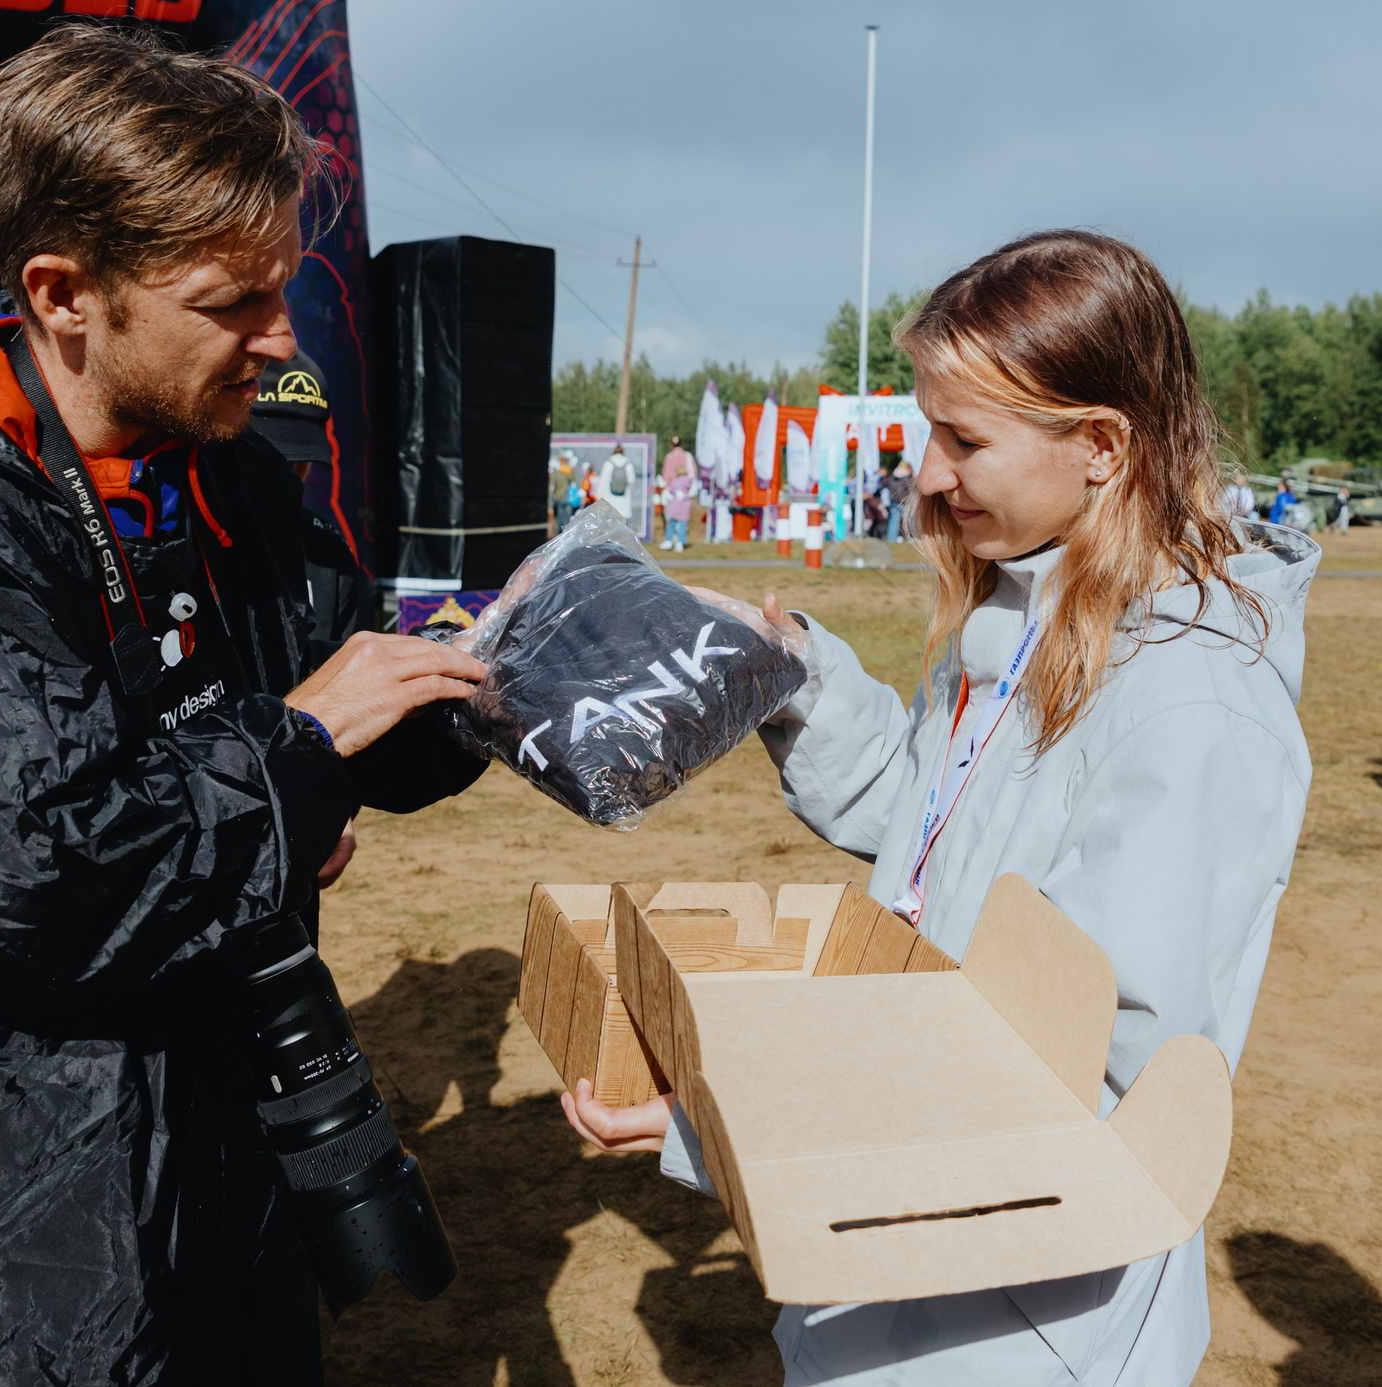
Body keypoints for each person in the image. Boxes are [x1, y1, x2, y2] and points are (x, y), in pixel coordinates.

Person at [0, 25, 491, 1383]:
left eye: (283, 288)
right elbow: (34, 883)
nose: (281, 341)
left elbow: (340, 688)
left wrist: (517, 676)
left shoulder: (222, 471)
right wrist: (288, 762)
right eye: (233, 299)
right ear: (64, 292)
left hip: (216, 1187)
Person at [559, 229, 1314, 1384]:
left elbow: (1088, 1071)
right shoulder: (1021, 626)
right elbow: (923, 829)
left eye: (965, 440)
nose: (925, 475)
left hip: (1016, 1312)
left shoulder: (1190, 708)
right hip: (903, 1251)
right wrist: (785, 669)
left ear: (1102, 446)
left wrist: (726, 1130)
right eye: (929, 433)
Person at [248, 349, 372, 661]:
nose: (287, 474)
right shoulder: (191, 541)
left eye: (300, 458)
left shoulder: (328, 550)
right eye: (271, 456)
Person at [660, 433, 697, 551]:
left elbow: (665, 476)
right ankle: (680, 541)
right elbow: (693, 474)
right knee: (682, 520)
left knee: (671, 519)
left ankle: (670, 540)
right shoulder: (687, 456)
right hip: (684, 495)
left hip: (672, 493)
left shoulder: (669, 457)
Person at [602, 441, 635, 533]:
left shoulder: (608, 463)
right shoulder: (628, 463)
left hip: (610, 496)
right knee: (623, 520)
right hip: (624, 497)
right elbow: (631, 480)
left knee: (611, 520)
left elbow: (603, 481)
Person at [883, 457, 915, 541]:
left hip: (893, 501)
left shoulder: (892, 477)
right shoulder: (906, 477)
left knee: (893, 521)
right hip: (904, 502)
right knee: (910, 521)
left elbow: (886, 486)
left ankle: (891, 539)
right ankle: (914, 538)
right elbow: (910, 488)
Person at [552, 447, 579, 532]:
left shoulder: (557, 472)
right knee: (567, 519)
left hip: (559, 497)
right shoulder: (570, 472)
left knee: (559, 517)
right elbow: (575, 483)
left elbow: (554, 485)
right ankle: (566, 534)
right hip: (568, 498)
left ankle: (559, 535)